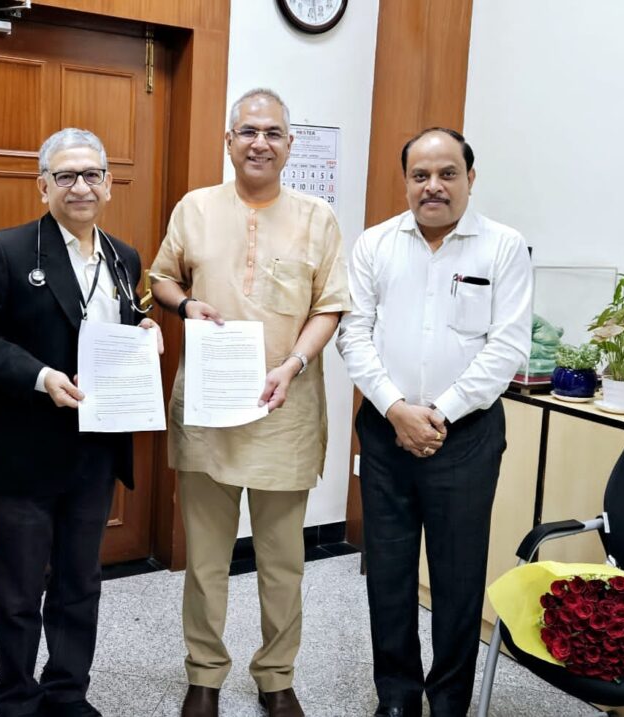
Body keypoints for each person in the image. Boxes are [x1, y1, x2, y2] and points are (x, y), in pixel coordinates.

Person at [150, 88, 350, 717]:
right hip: (209, 409)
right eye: (247, 131)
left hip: (283, 410)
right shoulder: (195, 208)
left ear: (289, 144)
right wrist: (184, 305)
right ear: (228, 142)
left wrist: (293, 363)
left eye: (272, 132)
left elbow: (330, 306)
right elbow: (160, 277)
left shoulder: (318, 217)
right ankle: (204, 674)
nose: (259, 142)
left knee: (282, 560)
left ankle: (276, 676)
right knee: (205, 559)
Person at [0, 128, 162, 717]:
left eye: (92, 174)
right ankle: (17, 696)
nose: (81, 186)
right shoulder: (7, 250)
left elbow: (118, 328)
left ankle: (68, 691)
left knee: (80, 582)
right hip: (24, 449)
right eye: (66, 175)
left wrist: (143, 333)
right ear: (43, 184)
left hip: (94, 450)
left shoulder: (124, 258)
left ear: (109, 185)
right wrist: (41, 376)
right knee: (19, 588)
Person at [337, 128, 533, 717]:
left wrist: (437, 413)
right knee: (389, 573)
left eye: (447, 173)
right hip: (385, 428)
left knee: (457, 577)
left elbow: (507, 349)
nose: (433, 187)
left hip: (465, 437)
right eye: (420, 176)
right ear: (406, 183)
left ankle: (448, 702)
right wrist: (397, 410)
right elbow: (354, 333)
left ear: (471, 178)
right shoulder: (374, 245)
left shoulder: (503, 247)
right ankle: (397, 697)